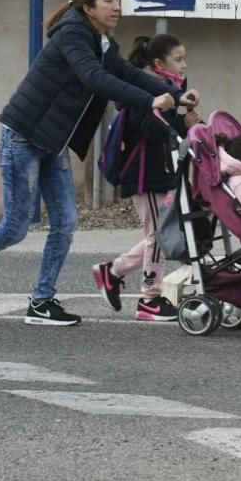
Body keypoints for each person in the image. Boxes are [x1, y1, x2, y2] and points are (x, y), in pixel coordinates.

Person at [0, 0, 198, 326]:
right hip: (24, 138)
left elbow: (128, 74)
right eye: (108, 0)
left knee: (66, 223)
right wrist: (151, 101)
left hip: (52, 143)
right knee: (15, 227)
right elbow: (95, 79)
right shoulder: (72, 35)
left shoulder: (102, 42)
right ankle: (42, 300)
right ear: (88, 8)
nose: (116, 6)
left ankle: (41, 302)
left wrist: (177, 96)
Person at [92, 34, 201, 321]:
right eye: (178, 60)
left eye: (185, 59)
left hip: (160, 172)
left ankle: (112, 272)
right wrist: (182, 122)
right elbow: (151, 129)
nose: (184, 65)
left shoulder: (172, 91)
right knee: (156, 236)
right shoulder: (144, 92)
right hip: (144, 175)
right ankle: (149, 299)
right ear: (157, 63)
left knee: (160, 235)